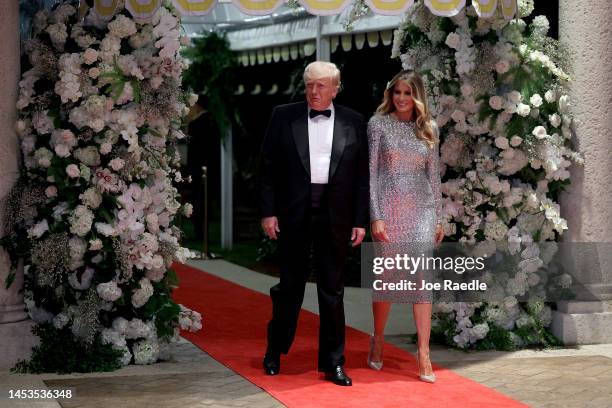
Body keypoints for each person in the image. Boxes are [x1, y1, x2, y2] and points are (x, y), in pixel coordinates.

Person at [257, 61, 369, 386]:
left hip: (336, 216)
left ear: (335, 88)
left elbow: (362, 176)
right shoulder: (283, 115)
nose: (314, 91)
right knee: (289, 287)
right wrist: (268, 211)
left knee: (332, 290)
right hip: (293, 214)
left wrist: (360, 220)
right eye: (309, 85)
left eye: (321, 86)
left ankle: (333, 363)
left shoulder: (354, 120)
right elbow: (266, 169)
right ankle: (274, 351)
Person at [367, 70, 444, 383]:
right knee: (388, 279)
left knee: (422, 281)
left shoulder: (429, 128)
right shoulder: (378, 124)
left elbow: (434, 177)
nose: (401, 98)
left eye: (407, 93)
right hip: (389, 209)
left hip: (423, 211)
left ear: (417, 97)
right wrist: (376, 215)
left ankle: (424, 352)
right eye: (397, 92)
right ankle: (378, 338)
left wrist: (438, 217)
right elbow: (371, 174)